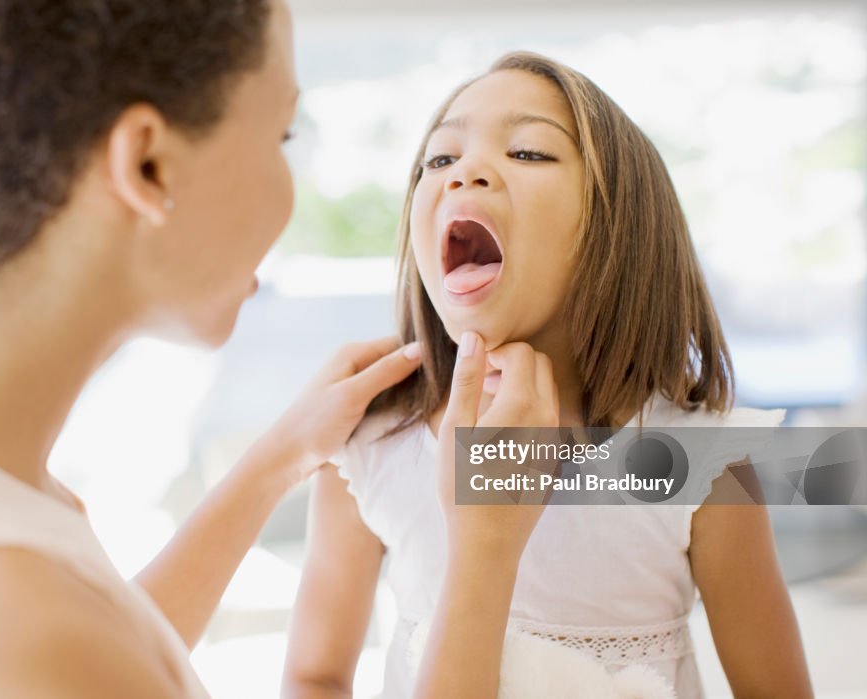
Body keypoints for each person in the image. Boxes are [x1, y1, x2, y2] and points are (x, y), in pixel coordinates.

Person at [0, 1, 543, 697]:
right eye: (282, 134)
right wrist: (484, 551)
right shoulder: (9, 636)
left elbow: (115, 644)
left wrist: (278, 459)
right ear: (148, 164)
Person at [283, 51, 815, 698]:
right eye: (440, 159)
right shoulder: (372, 447)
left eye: (529, 152)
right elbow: (315, 676)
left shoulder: (698, 463)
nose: (464, 173)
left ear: (617, 227)